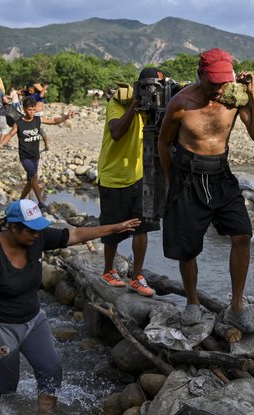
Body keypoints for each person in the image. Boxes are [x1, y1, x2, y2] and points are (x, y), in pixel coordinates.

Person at [0, 199, 141, 411]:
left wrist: (115, 228)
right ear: (13, 228)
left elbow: (74, 234)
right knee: (6, 389)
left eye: (38, 230)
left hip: (33, 319)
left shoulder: (37, 238)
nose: (36, 235)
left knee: (51, 370)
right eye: (30, 231)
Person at [157, 48, 254, 332]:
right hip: (187, 176)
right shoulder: (181, 103)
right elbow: (163, 143)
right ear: (200, 75)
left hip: (221, 174)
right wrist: (172, 181)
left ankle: (237, 306)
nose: (220, 89)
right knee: (187, 248)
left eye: (225, 82)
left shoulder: (235, 99)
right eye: (214, 83)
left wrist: (253, 95)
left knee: (242, 234)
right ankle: (193, 302)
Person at [96, 68, 163, 297]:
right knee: (112, 229)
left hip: (139, 175)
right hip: (113, 175)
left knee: (142, 227)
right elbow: (116, 132)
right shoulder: (119, 102)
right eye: (147, 88)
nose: (151, 93)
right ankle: (108, 270)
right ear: (138, 87)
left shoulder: (156, 107)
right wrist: (135, 104)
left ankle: (136, 276)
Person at [0, 96, 73, 208]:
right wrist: (1, 144)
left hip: (35, 156)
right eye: (29, 110)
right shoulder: (18, 123)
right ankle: (41, 202)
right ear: (24, 109)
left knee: (30, 181)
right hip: (25, 156)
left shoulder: (38, 119)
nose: (31, 112)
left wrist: (65, 117)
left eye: (33, 109)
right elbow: (9, 135)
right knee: (34, 176)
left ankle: (20, 201)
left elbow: (54, 121)